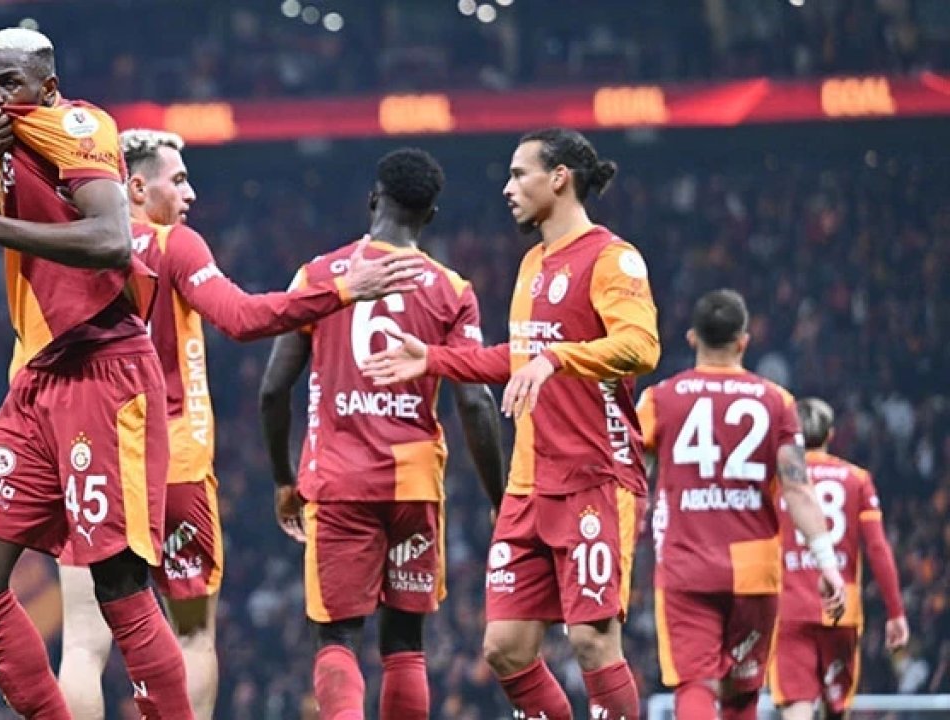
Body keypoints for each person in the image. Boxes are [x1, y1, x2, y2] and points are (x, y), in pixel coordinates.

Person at [55, 130, 425, 719]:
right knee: (192, 634)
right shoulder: (175, 245)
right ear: (136, 187)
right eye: (178, 180)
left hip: (89, 461)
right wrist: (341, 291)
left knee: (81, 642)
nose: (190, 194)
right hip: (172, 462)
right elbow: (242, 317)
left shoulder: (69, 247)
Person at [0, 28, 191, 718]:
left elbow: (110, 240)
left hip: (105, 369)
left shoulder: (78, 127)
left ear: (47, 85)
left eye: (7, 82)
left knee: (119, 585)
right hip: (39, 381)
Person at [362, 129, 658, 720]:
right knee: (505, 648)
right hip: (528, 482)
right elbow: (520, 356)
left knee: (592, 640)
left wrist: (557, 358)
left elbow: (641, 346)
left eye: (520, 174)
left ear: (559, 178)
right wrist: (433, 358)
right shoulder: (531, 263)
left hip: (594, 477)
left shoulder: (611, 258)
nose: (507, 187)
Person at [259, 147, 506, 720]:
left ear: (373, 200)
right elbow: (475, 400)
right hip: (413, 486)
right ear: (430, 216)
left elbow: (273, 390)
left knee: (337, 637)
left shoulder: (319, 276)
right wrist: (501, 498)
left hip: (339, 482)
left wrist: (282, 479)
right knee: (405, 644)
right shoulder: (452, 290)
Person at [635, 290, 846, 720]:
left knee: (696, 684)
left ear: (692, 338)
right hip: (755, 571)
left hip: (687, 565)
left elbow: (632, 479)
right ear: (743, 342)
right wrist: (826, 562)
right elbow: (798, 489)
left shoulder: (660, 399)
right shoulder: (777, 401)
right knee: (741, 693)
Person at [769, 398, 908, 720]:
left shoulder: (778, 482)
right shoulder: (856, 478)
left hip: (789, 610)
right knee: (836, 709)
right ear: (830, 434)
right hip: (841, 609)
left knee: (797, 706)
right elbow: (877, 548)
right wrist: (895, 612)